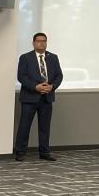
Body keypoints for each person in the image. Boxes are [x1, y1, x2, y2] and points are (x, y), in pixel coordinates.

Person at [14, 31, 63, 161]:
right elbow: (21, 76)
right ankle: (20, 152)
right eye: (39, 41)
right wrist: (35, 86)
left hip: (47, 98)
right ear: (33, 43)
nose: (41, 43)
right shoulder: (25, 57)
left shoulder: (53, 57)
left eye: (44, 41)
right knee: (24, 126)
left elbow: (59, 75)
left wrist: (52, 86)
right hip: (29, 98)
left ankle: (44, 152)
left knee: (45, 127)